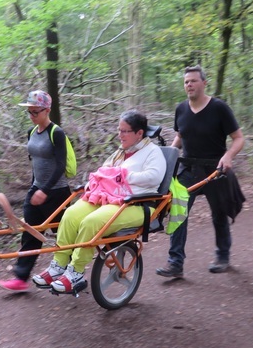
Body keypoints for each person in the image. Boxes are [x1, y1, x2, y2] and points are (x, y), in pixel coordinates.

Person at [32, 110, 166, 293]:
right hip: (108, 197)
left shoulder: (153, 152)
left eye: (125, 131)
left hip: (137, 204)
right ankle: (58, 265)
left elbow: (154, 177)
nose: (120, 135)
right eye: (119, 130)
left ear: (139, 133)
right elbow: (104, 171)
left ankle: (76, 272)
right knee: (70, 214)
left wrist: (121, 175)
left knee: (91, 222)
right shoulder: (120, 152)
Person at [156, 65, 245, 279]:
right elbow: (180, 136)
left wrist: (228, 156)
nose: (189, 85)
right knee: (178, 213)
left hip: (215, 169)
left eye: (194, 81)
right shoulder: (181, 109)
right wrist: (167, 154)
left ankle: (222, 256)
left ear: (204, 83)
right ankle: (175, 262)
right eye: (186, 81)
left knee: (219, 213)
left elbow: (239, 138)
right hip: (188, 168)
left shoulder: (219, 108)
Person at [0, 91, 72, 292]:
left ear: (47, 110)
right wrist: (34, 187)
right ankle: (21, 278)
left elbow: (60, 165)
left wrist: (46, 190)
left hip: (56, 193)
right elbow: (36, 164)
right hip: (37, 188)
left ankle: (73, 271)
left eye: (35, 112)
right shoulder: (31, 132)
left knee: (63, 235)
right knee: (30, 232)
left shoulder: (56, 132)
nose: (31, 116)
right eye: (29, 112)